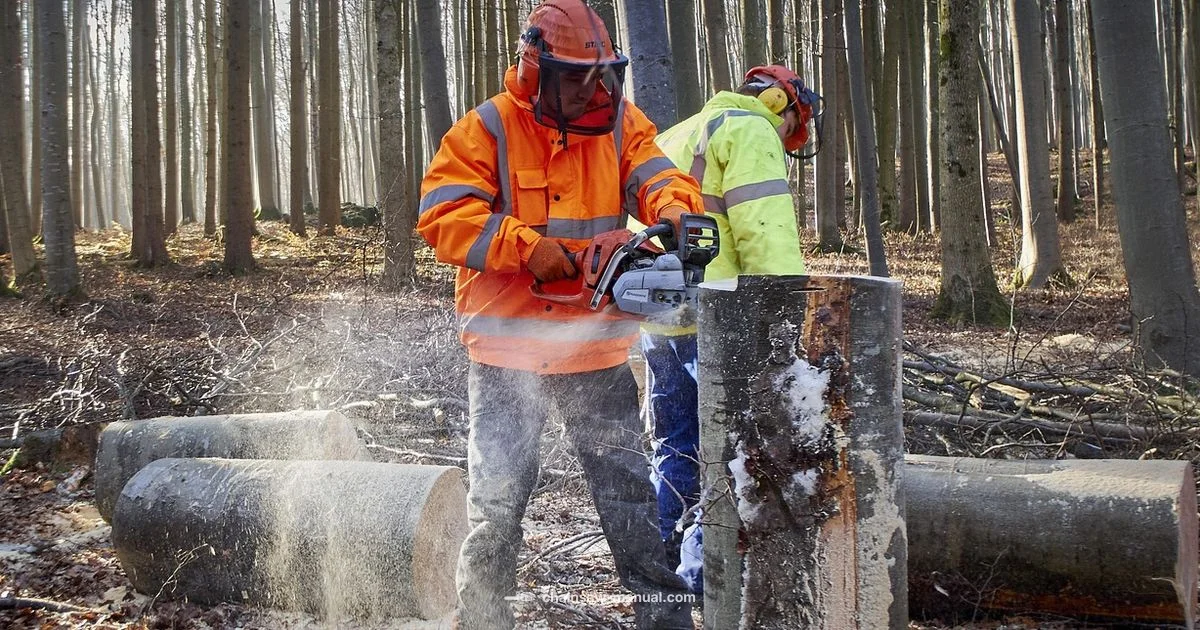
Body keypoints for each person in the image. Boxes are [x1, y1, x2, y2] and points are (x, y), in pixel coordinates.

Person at [416, 1, 703, 628]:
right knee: (496, 507)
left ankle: (666, 620)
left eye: (599, 77)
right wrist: (527, 248)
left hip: (594, 350)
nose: (589, 91)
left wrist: (676, 211)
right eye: (575, 78)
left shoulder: (619, 124)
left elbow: (660, 174)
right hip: (506, 356)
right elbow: (444, 215)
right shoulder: (486, 128)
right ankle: (482, 620)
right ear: (536, 68)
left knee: (629, 499)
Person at [641, 65, 818, 596]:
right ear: (778, 104)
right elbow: (765, 232)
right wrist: (784, 316)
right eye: (790, 127)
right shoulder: (750, 128)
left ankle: (658, 563)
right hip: (720, 314)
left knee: (675, 439)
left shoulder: (678, 133)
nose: (784, 137)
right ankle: (704, 576)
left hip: (658, 312)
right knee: (729, 444)